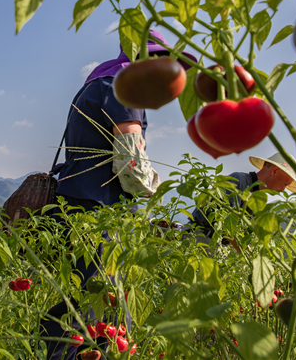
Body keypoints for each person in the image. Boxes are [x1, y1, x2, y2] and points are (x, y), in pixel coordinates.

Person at [39, 30, 196, 360]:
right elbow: (132, 166)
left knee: (80, 297)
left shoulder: (101, 81)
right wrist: (158, 190)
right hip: (100, 213)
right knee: (101, 301)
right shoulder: (123, 87)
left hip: (75, 204)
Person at [190, 152, 296, 243]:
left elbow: (240, 232)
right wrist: (242, 251)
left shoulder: (257, 200)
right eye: (285, 183)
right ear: (274, 171)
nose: (284, 189)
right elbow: (226, 222)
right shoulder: (239, 180)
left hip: (215, 244)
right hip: (198, 238)